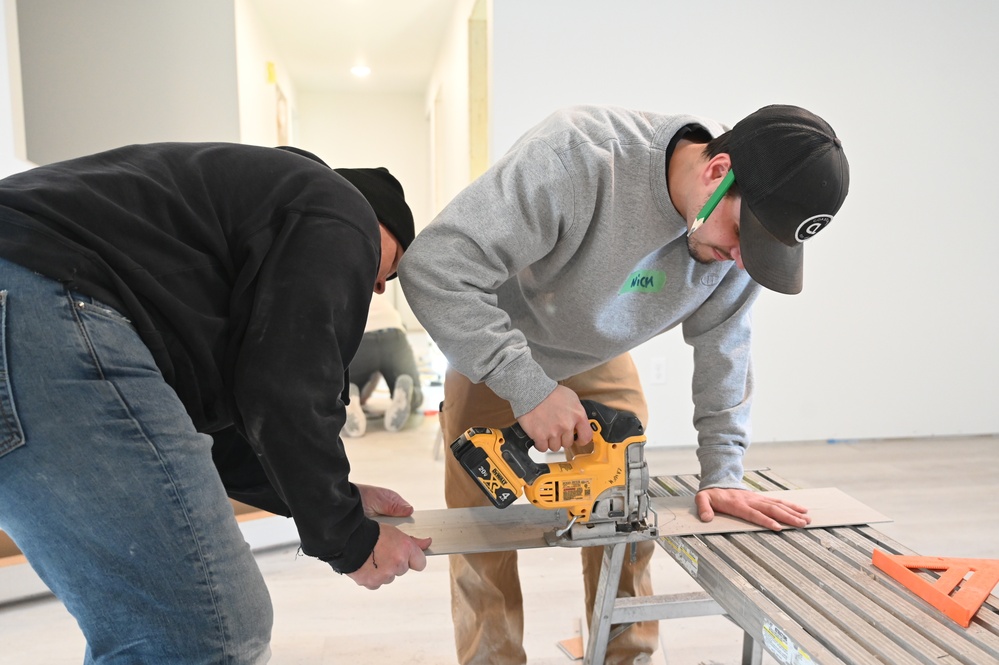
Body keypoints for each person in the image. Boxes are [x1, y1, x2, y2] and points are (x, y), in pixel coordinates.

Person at [399, 104, 849, 664]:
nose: (740, 259)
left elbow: (725, 351)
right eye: (742, 234)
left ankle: (626, 657)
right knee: (482, 533)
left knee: (627, 521)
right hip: (496, 346)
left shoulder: (737, 251)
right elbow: (435, 266)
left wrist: (724, 473)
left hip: (598, 351)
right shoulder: (579, 158)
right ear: (718, 172)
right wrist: (529, 387)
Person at [0, 143, 432, 664]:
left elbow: (226, 433)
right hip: (38, 303)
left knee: (160, 633)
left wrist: (339, 498)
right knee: (205, 635)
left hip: (24, 308)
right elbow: (286, 387)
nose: (382, 285)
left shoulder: (235, 225)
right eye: (393, 262)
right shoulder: (342, 209)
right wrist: (350, 540)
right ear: (375, 224)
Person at [343, 292, 425, 437]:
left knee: (346, 387)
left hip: (361, 338)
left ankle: (350, 397)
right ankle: (405, 395)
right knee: (414, 388)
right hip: (394, 332)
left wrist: (362, 398)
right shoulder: (372, 283)